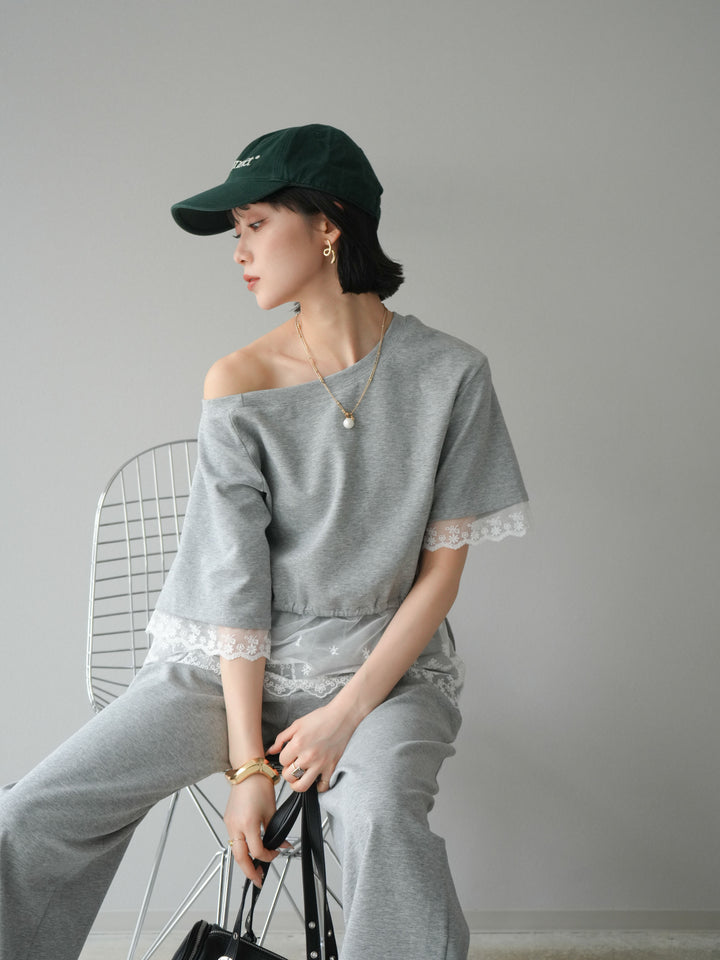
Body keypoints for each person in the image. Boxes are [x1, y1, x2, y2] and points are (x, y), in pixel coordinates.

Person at [0, 123, 528, 960]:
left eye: (254, 224)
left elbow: (439, 577)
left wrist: (343, 716)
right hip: (225, 671)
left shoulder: (451, 374)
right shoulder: (240, 382)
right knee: (32, 814)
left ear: (327, 225)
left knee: (382, 816)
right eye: (235, 232)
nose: (239, 250)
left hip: (383, 675)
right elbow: (233, 588)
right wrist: (250, 769)